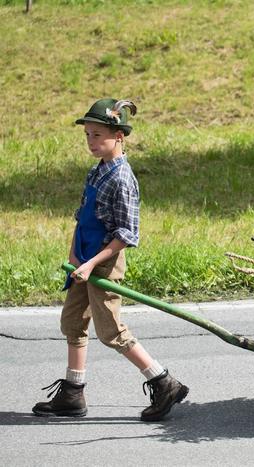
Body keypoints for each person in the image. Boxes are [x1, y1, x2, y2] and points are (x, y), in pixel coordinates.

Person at [32, 98, 188, 422]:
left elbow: (127, 234)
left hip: (103, 262)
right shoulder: (98, 170)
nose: (91, 141)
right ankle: (73, 394)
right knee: (72, 323)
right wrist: (75, 255)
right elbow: (83, 215)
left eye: (97, 135)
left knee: (110, 331)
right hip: (84, 259)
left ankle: (163, 381)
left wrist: (92, 264)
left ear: (119, 136)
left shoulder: (122, 179)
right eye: (87, 135)